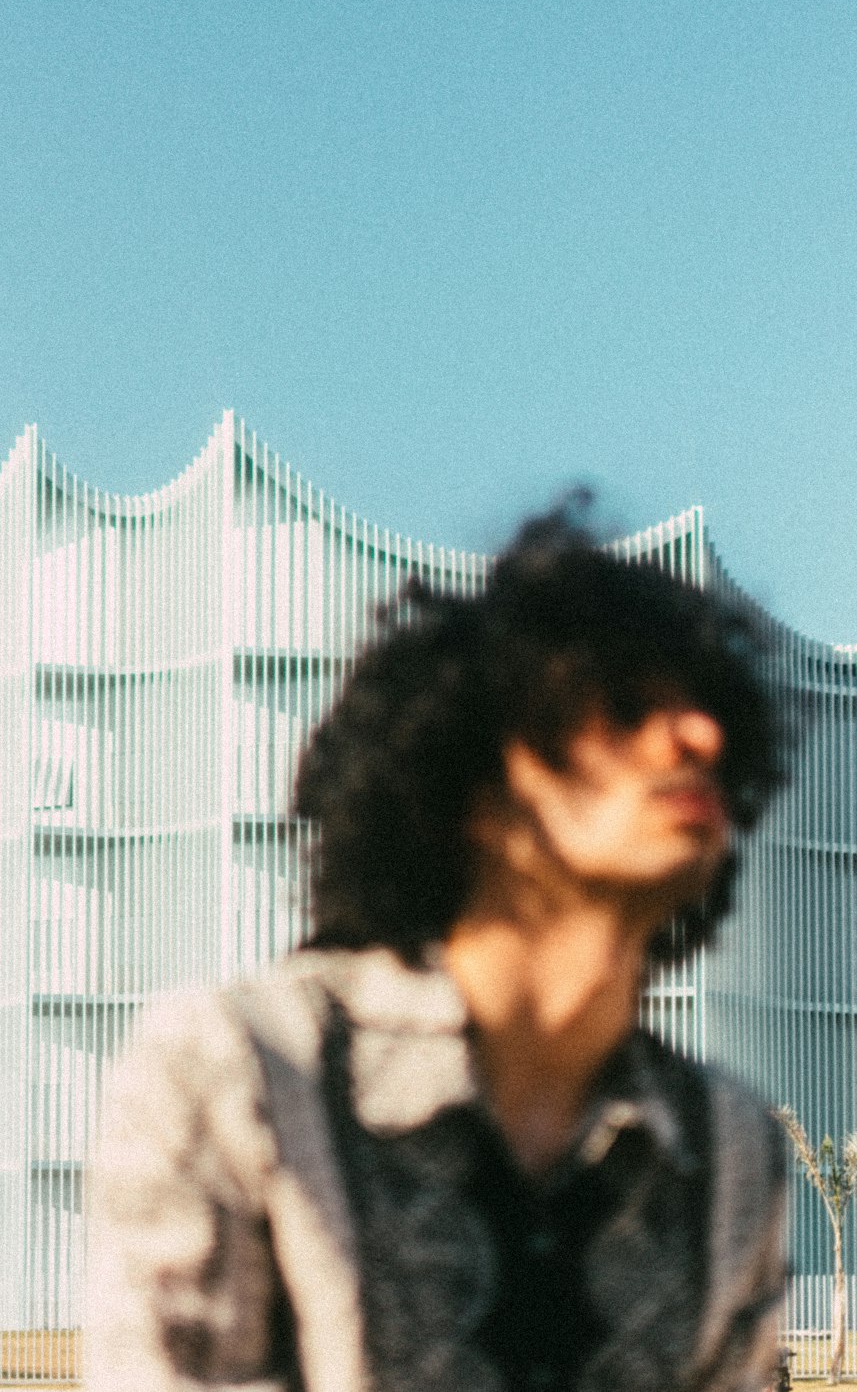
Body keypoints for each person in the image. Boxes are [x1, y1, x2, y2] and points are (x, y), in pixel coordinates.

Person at [87, 499, 788, 1392]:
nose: (700, 738)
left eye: (712, 713)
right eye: (624, 708)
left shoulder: (729, 1152)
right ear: (478, 788)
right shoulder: (238, 1073)